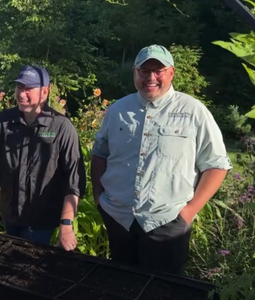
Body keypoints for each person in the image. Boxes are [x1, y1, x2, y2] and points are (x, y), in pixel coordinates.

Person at [91, 44, 231, 275]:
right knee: (120, 285)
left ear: (171, 73)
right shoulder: (117, 110)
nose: (151, 77)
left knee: (162, 290)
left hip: (167, 223)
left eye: (159, 71)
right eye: (144, 71)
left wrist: (189, 212)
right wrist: (99, 198)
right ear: (135, 73)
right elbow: (100, 154)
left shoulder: (193, 111)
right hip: (119, 218)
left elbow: (217, 165)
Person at [0, 65, 86, 251]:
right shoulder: (4, 122)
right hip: (10, 214)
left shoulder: (61, 127)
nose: (21, 94)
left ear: (44, 92)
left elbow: (74, 179)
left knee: (28, 264)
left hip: (42, 220)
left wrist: (66, 223)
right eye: (19, 88)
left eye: (28, 89)